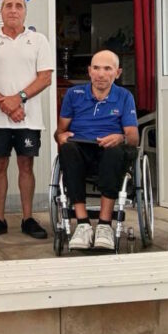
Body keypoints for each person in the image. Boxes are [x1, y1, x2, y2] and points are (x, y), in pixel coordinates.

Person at [0, 0, 53, 240]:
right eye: (8, 5)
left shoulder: (39, 40)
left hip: (28, 118)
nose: (13, 9)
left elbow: (45, 77)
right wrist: (5, 104)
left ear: (25, 11)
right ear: (0, 10)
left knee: (26, 165)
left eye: (18, 5)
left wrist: (17, 99)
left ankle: (27, 218)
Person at [54, 50, 139, 250]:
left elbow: (133, 138)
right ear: (89, 71)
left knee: (114, 152)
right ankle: (83, 224)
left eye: (107, 69)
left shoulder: (124, 97)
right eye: (96, 68)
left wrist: (121, 137)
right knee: (67, 149)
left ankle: (104, 225)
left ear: (117, 73)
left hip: (112, 151)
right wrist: (60, 137)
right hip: (82, 148)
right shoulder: (74, 95)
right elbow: (60, 131)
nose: (101, 74)